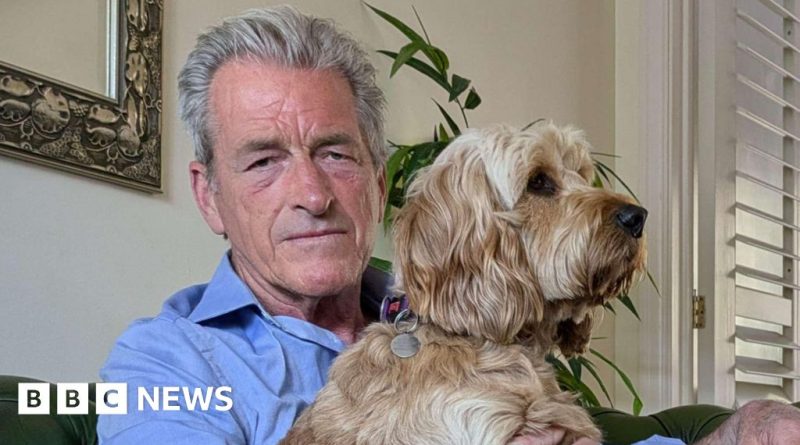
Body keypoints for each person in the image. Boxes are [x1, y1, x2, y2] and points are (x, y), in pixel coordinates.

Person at [98, 6, 800, 445]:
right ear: (209, 195)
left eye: (335, 152)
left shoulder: (464, 333)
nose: (311, 192)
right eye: (263, 160)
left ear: (377, 180)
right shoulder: (166, 364)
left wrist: (736, 432)